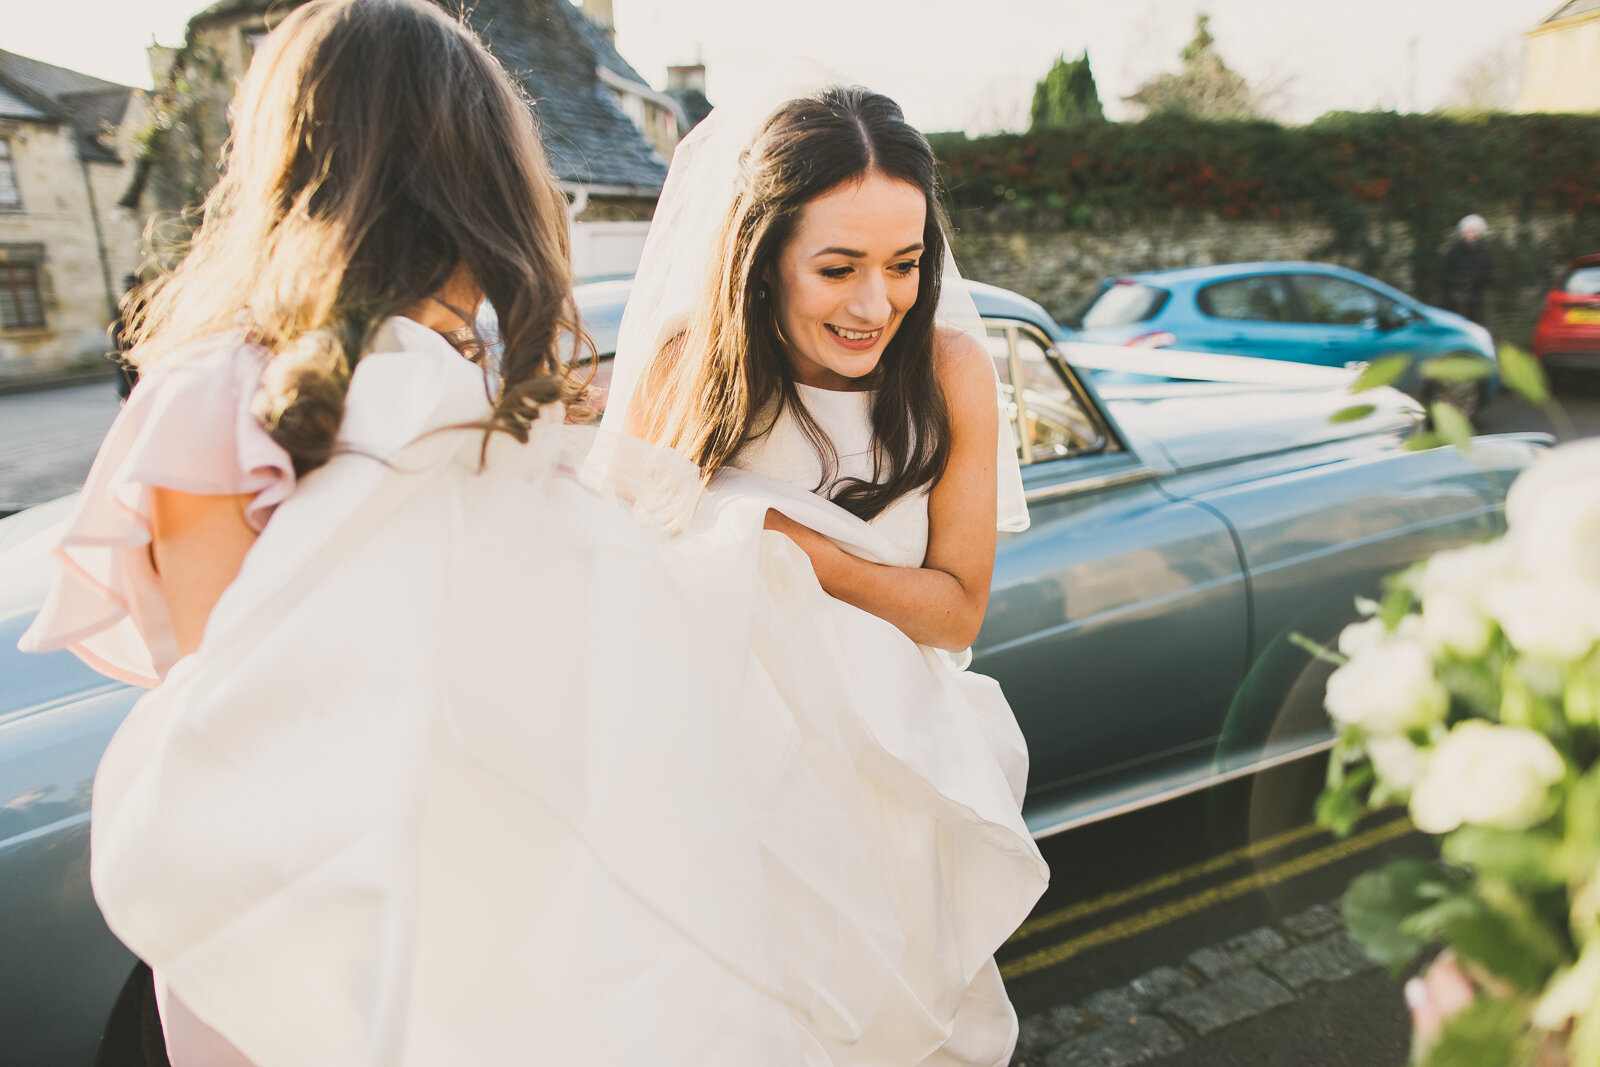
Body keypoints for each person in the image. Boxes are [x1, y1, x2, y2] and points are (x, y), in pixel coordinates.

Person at [19, 2, 888, 1064]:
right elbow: (249, 714)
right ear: (486, 182)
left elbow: (239, 709)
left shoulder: (451, 395)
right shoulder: (307, 400)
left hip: (408, 909)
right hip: (374, 917)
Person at [605, 86, 1048, 1066]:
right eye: (836, 266)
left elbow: (952, 606)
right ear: (761, 261)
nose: (874, 302)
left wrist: (769, 535)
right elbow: (625, 586)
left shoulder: (948, 371)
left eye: (904, 264)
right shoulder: (685, 369)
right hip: (725, 781)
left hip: (893, 775)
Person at [1441, 213, 1493, 326]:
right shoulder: (1454, 251)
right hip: (1453, 297)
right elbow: (1445, 273)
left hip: (1475, 297)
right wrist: (1458, 282)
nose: (1470, 234)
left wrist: (1475, 283)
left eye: (1473, 231)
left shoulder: (1483, 252)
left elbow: (1487, 273)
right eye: (1467, 231)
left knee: (1473, 324)